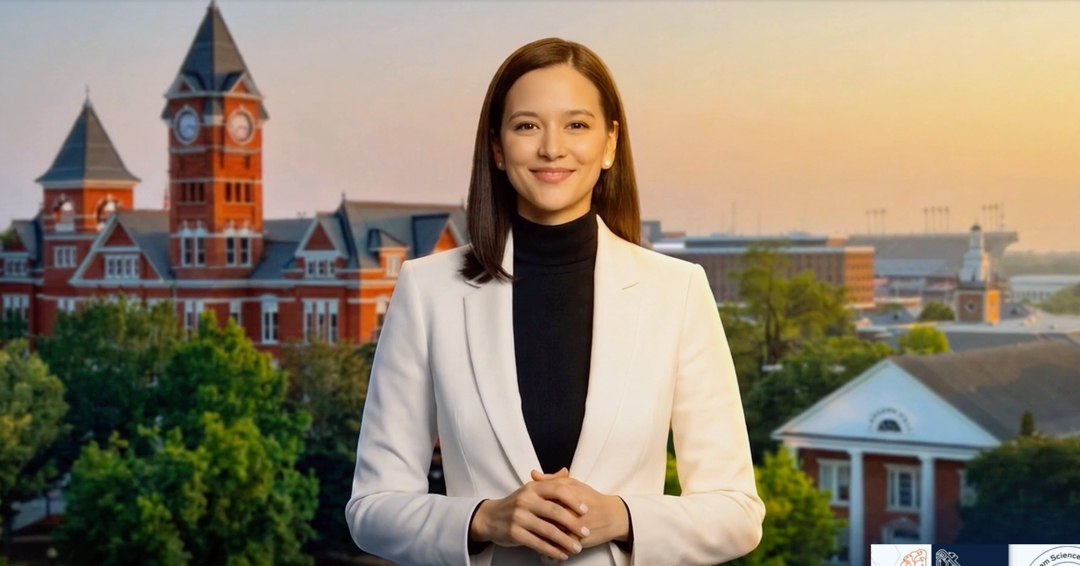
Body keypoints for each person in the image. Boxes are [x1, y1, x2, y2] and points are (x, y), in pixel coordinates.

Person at [345, 37, 765, 566]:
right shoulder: (428, 289)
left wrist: (622, 516)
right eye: (526, 125)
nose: (551, 148)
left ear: (610, 143)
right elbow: (371, 509)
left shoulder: (676, 291)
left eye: (577, 125)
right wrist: (483, 519)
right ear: (497, 148)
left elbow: (737, 512)